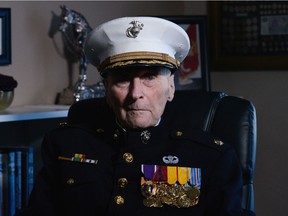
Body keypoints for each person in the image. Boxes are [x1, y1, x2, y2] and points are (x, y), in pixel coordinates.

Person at [16, 16, 245, 216]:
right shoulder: (64, 146)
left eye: (150, 77)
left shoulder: (212, 158)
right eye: (123, 79)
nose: (136, 94)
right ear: (107, 90)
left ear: (171, 88)